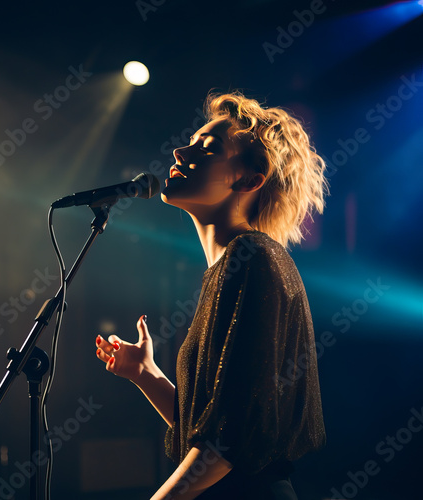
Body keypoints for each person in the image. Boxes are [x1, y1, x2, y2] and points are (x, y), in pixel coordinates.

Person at [95, 91, 328, 499]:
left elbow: (228, 441)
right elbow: (214, 426)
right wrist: (145, 374)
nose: (180, 151)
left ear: (249, 179)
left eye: (207, 148)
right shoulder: (230, 268)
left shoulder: (253, 258)